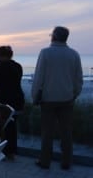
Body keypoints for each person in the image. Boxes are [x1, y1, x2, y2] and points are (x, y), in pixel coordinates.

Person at [32, 26, 83, 170]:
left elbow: (39, 77)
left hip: (48, 99)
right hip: (67, 99)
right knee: (66, 132)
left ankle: (45, 161)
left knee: (47, 132)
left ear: (53, 36)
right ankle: (67, 161)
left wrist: (35, 96)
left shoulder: (45, 53)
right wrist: (74, 94)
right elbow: (78, 79)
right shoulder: (74, 54)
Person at [0, 45, 25, 160]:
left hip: (3, 100)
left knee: (1, 126)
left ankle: (3, 151)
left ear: (1, 55)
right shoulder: (18, 66)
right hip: (17, 99)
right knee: (12, 126)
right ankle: (11, 152)